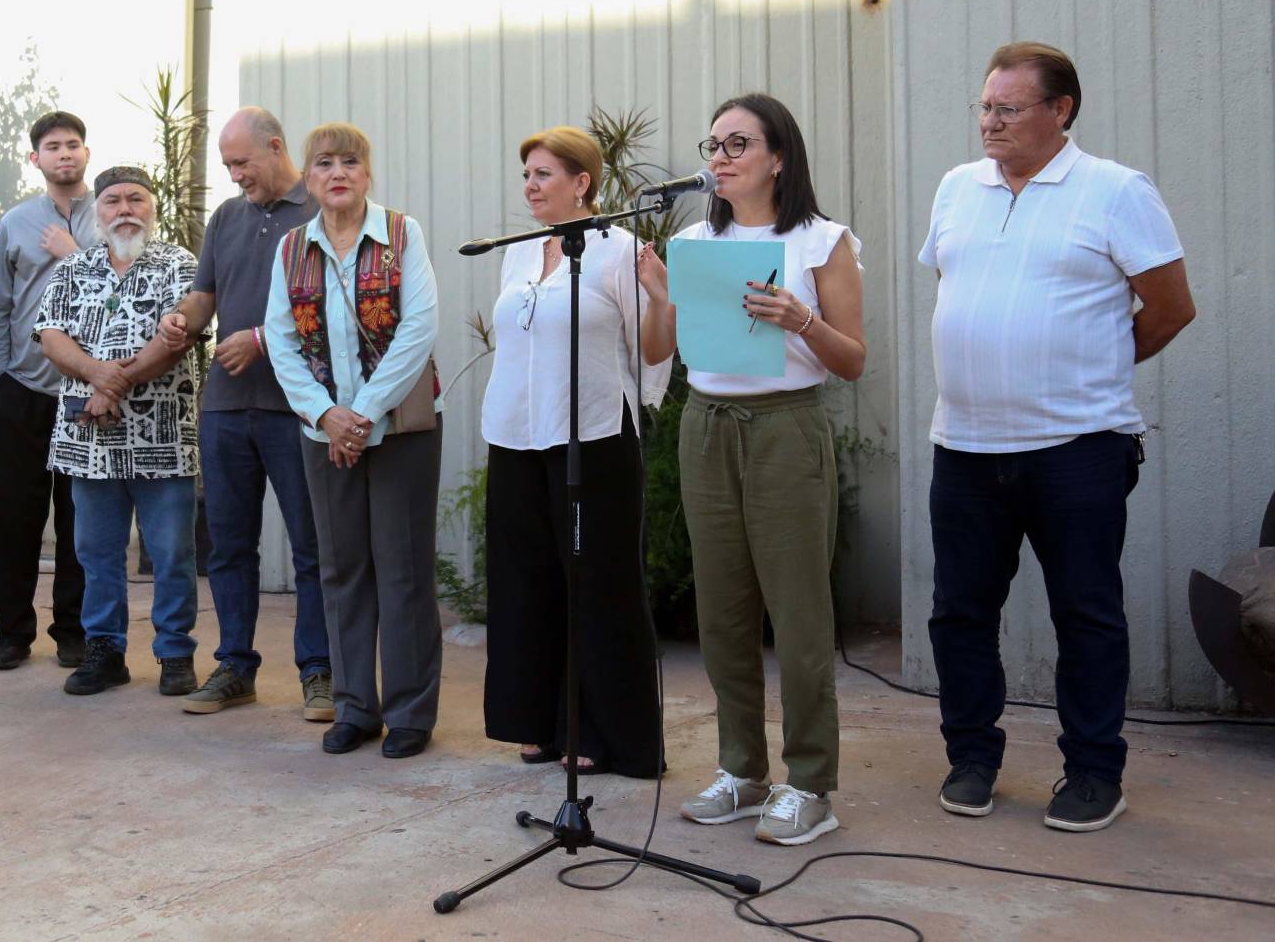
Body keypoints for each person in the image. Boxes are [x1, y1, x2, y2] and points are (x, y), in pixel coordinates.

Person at [922, 42, 1195, 833]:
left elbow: (1170, 306)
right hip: (965, 446)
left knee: (1086, 613)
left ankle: (1093, 772)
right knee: (960, 613)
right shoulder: (956, 188)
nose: (990, 123)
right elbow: (960, 287)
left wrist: (1093, 362)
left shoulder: (1114, 191)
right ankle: (971, 758)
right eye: (984, 107)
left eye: (1008, 109)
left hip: (1076, 447)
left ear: (1060, 110)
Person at [638, 93, 866, 846]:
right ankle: (743, 768)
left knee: (798, 614)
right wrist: (663, 296)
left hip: (784, 427)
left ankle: (810, 784)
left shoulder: (820, 241)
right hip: (706, 423)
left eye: (738, 143)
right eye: (713, 144)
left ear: (778, 157)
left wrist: (799, 318)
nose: (720, 157)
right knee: (722, 611)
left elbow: (853, 360)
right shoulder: (698, 237)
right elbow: (657, 353)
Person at [481, 127, 670, 776]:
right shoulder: (517, 253)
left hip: (592, 435)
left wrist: (662, 299)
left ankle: (602, 730)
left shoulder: (621, 251)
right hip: (516, 435)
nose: (530, 186)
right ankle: (537, 718)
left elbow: (651, 352)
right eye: (526, 174)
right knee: (527, 580)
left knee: (597, 583)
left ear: (582, 181)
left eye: (542, 174)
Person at [265, 123, 444, 759]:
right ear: (308, 178)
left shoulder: (402, 234)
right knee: (341, 570)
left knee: (403, 572)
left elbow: (420, 326)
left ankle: (410, 713)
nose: (337, 173)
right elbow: (280, 341)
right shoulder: (291, 248)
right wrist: (326, 415)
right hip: (325, 436)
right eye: (324, 164)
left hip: (398, 431)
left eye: (349, 162)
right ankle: (354, 707)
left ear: (367, 173)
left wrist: (361, 413)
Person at [158, 107, 332, 721]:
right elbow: (206, 294)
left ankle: (320, 672)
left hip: (299, 408)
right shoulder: (227, 218)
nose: (234, 176)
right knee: (229, 546)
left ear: (277, 147)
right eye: (228, 165)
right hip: (227, 408)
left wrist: (260, 339)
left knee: (313, 547)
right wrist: (183, 317)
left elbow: (336, 308)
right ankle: (235, 666)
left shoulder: (322, 213)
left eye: (242, 163)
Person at [34, 166, 202, 698]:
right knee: (95, 550)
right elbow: (50, 335)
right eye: (112, 201)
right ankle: (104, 650)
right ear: (97, 211)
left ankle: (175, 652)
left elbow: (180, 336)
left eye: (136, 199)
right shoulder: (73, 268)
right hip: (88, 438)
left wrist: (114, 383)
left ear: (153, 208)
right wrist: (95, 376)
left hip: (164, 435)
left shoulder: (181, 265)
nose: (124, 209)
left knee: (172, 550)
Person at [0, 111, 97, 671]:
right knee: (15, 518)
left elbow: (128, 287)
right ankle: (13, 633)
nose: (64, 154)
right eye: (53, 147)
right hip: (23, 388)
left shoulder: (114, 215)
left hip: (88, 392)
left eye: (73, 145)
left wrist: (76, 251)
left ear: (86, 153)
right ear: (37, 159)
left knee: (80, 520)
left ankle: (72, 631)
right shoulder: (16, 221)